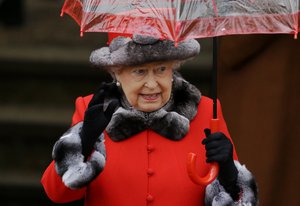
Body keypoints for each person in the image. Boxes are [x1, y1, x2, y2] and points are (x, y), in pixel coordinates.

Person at [41, 34, 258, 206]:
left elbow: (241, 202)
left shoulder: (206, 111)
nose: (152, 84)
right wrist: (85, 139)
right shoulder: (93, 109)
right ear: (116, 73)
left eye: (161, 69)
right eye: (140, 72)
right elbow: (56, 194)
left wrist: (229, 172)